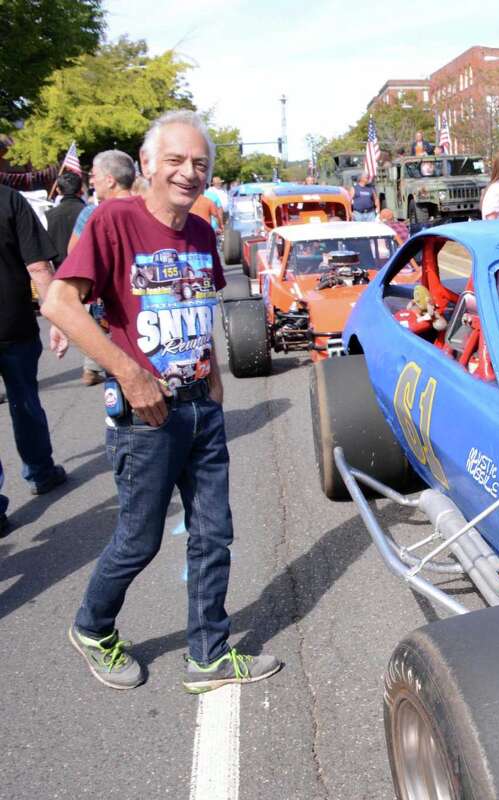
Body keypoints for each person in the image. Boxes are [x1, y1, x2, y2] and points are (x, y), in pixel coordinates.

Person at [43, 109, 280, 692]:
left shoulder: (200, 231)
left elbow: (201, 309)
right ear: (147, 164)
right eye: (175, 160)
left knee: (213, 534)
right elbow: (58, 304)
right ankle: (93, 626)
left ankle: (208, 656)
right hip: (145, 418)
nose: (188, 173)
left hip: (202, 409)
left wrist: (216, 382)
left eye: (199, 163)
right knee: (140, 537)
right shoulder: (112, 221)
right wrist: (128, 373)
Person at [0, 185, 70, 535]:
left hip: (14, 325)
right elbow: (39, 267)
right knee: (24, 401)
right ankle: (41, 471)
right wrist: (57, 317)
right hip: (12, 322)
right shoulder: (10, 199)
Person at [69, 150, 137, 386]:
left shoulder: (92, 213)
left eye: (95, 175)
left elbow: (74, 254)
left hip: (111, 300)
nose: (92, 181)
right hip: (150, 300)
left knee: (118, 362)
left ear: (110, 179)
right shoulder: (151, 208)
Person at [46, 170, 87, 268]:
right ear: (81, 190)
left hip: (60, 270)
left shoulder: (48, 215)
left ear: (58, 190)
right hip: (86, 269)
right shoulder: (89, 213)